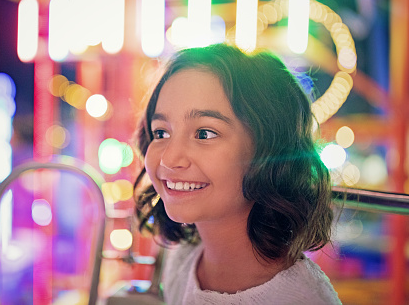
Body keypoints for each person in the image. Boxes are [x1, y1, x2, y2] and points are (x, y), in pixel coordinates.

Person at [133, 43, 341, 304]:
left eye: (204, 133)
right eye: (161, 133)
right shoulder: (183, 260)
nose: (169, 158)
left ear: (268, 149)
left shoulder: (300, 297)